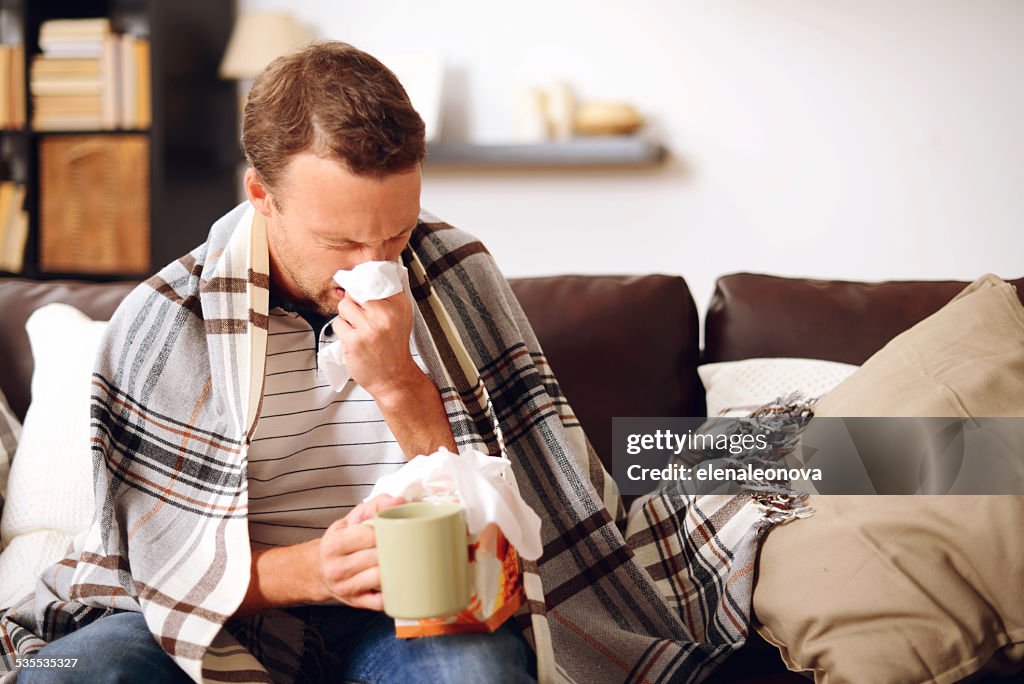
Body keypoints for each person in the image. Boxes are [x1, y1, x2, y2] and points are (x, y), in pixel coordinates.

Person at [2, 40, 792, 684]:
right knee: (77, 671)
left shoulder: (453, 272)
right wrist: (311, 570)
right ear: (261, 194)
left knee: (472, 672)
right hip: (222, 613)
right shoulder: (166, 321)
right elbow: (154, 567)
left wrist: (400, 387)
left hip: (410, 610)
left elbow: (512, 527)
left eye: (396, 234)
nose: (374, 265)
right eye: (342, 242)